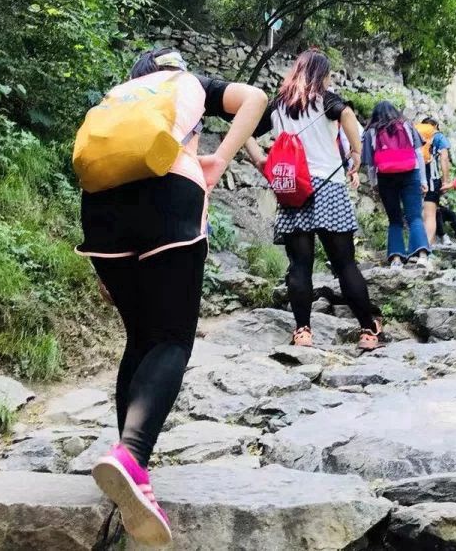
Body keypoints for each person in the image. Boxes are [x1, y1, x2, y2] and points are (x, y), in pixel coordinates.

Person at [78, 47, 268, 547]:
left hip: (100, 212)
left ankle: (130, 465)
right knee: (172, 339)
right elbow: (256, 98)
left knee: (140, 337)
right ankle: (132, 456)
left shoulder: (118, 96)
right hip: (169, 200)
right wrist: (219, 159)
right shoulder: (187, 83)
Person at [246, 49, 384, 350]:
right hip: (328, 188)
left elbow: (245, 131)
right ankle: (368, 332)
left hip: (293, 189)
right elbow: (347, 115)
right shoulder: (325, 98)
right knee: (345, 264)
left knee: (299, 266)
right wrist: (356, 152)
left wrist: (261, 161)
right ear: (322, 75)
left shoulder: (279, 105)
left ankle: (303, 331)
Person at [362, 101, 431, 269]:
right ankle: (422, 256)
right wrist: (423, 180)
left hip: (386, 177)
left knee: (395, 220)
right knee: (414, 216)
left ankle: (396, 259)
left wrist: (374, 183)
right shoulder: (407, 125)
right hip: (410, 173)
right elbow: (418, 154)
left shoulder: (371, 131)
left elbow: (370, 164)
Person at [415, 117, 451, 248]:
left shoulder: (413, 132)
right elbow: (444, 157)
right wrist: (446, 180)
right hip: (431, 178)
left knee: (417, 214)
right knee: (430, 214)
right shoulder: (438, 136)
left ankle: (418, 245)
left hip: (413, 176)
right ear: (435, 126)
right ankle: (426, 247)